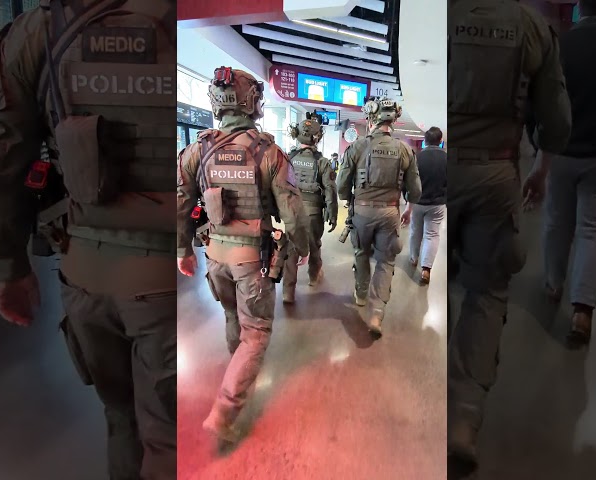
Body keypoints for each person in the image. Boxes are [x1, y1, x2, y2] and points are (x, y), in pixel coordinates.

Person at [0, 2, 178, 479]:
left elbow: (1, 160)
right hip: (161, 286)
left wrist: (7, 268)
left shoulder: (41, 30)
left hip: (86, 275)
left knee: (120, 419)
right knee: (167, 440)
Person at [447, 0, 572, 469]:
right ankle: (462, 420)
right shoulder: (532, 28)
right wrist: (539, 171)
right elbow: (557, 123)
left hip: (443, 173)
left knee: (437, 275)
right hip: (496, 174)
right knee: (486, 291)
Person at [176, 67, 309, 443]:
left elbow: (180, 205)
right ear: (252, 103)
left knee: (232, 314)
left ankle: (236, 369)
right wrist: (301, 249)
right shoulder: (270, 153)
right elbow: (294, 215)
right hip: (251, 261)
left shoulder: (195, 150)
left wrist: (182, 250)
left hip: (214, 256)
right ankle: (226, 410)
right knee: (257, 332)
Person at [539, 0, 596, 346]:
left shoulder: (562, 44)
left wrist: (540, 147)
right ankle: (582, 311)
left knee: (557, 219)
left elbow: (544, 99)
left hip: (563, 149)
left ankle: (553, 282)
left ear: (579, 7)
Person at [336, 96, 422, 336]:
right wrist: (408, 208)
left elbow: (341, 184)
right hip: (390, 212)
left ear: (371, 118)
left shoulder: (357, 146)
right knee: (386, 261)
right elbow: (416, 190)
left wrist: (347, 199)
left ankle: (361, 295)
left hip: (362, 211)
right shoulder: (405, 149)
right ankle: (376, 313)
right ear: (394, 119)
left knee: (361, 253)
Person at [282, 113, 338, 302]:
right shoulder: (322, 162)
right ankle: (314, 277)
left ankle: (288, 292)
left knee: (291, 247)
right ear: (317, 137)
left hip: (291, 210)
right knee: (314, 244)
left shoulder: (287, 159)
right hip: (313, 212)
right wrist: (333, 213)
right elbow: (330, 189)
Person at [401, 126, 447, 285]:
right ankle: (426, 268)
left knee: (415, 231)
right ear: (441, 141)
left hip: (417, 202)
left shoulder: (417, 158)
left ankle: (414, 258)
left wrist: (408, 204)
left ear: (425, 141)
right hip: (437, 204)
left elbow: (408, 182)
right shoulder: (447, 158)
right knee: (432, 235)